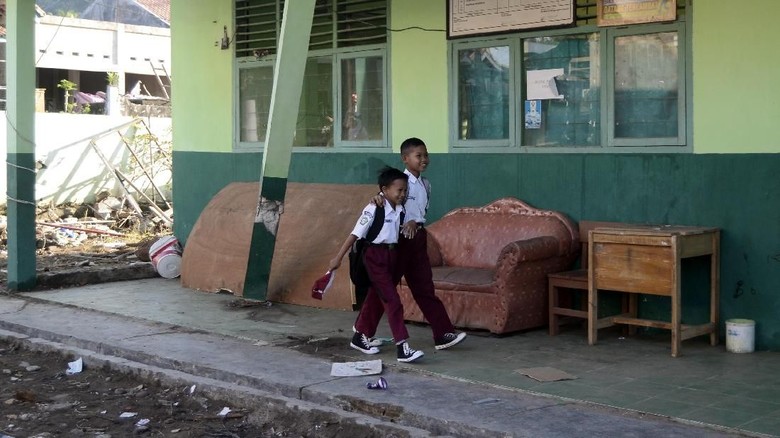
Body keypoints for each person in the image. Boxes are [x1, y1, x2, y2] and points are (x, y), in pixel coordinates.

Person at [365, 137, 467, 350]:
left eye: (425, 155)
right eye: (418, 156)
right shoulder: (401, 182)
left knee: (424, 287)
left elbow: (420, 213)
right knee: (384, 289)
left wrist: (416, 224)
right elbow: (384, 198)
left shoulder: (426, 184)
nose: (424, 159)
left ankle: (443, 333)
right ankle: (362, 332)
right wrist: (377, 199)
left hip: (418, 239)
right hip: (399, 240)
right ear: (405, 158)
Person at [328, 167, 424, 363]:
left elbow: (405, 224)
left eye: (405, 190)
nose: (403, 194)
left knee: (375, 297)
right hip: (374, 257)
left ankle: (360, 336)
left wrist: (414, 223)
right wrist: (337, 258)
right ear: (384, 190)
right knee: (393, 301)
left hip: (391, 255)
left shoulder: (400, 208)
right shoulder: (374, 208)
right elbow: (355, 234)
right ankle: (402, 347)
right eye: (399, 191)